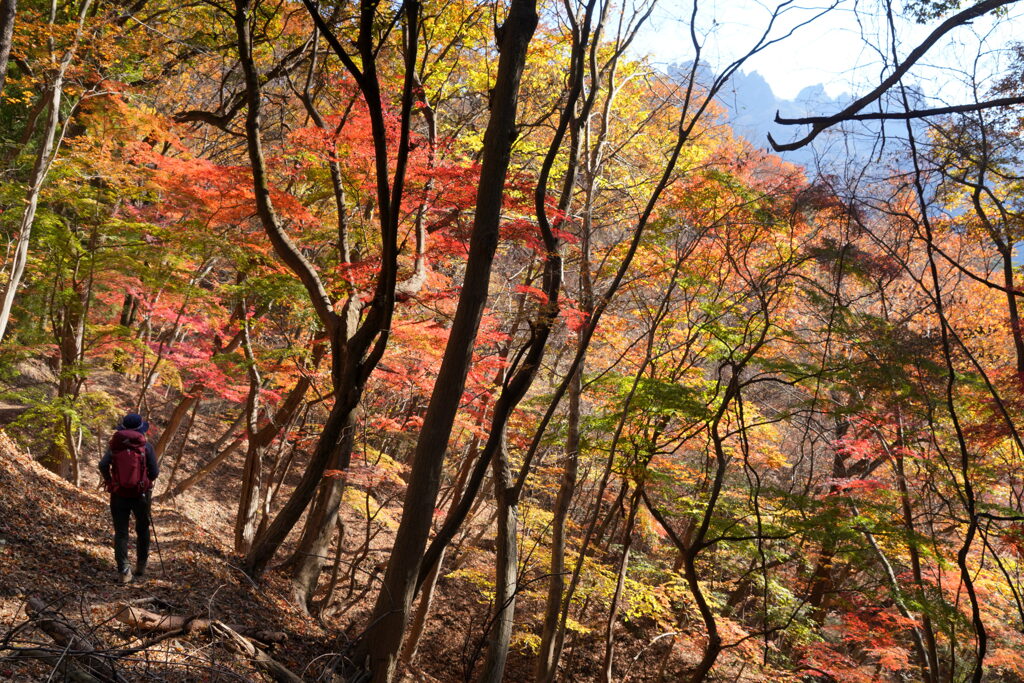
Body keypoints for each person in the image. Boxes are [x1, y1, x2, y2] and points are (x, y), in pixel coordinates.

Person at [99, 412, 159, 584]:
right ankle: (141, 565)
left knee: (121, 532)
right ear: (141, 428)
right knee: (142, 528)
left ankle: (124, 571)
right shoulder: (146, 447)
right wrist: (144, 481)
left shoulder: (115, 446)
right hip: (141, 495)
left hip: (119, 494)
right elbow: (154, 472)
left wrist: (110, 481)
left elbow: (103, 465)